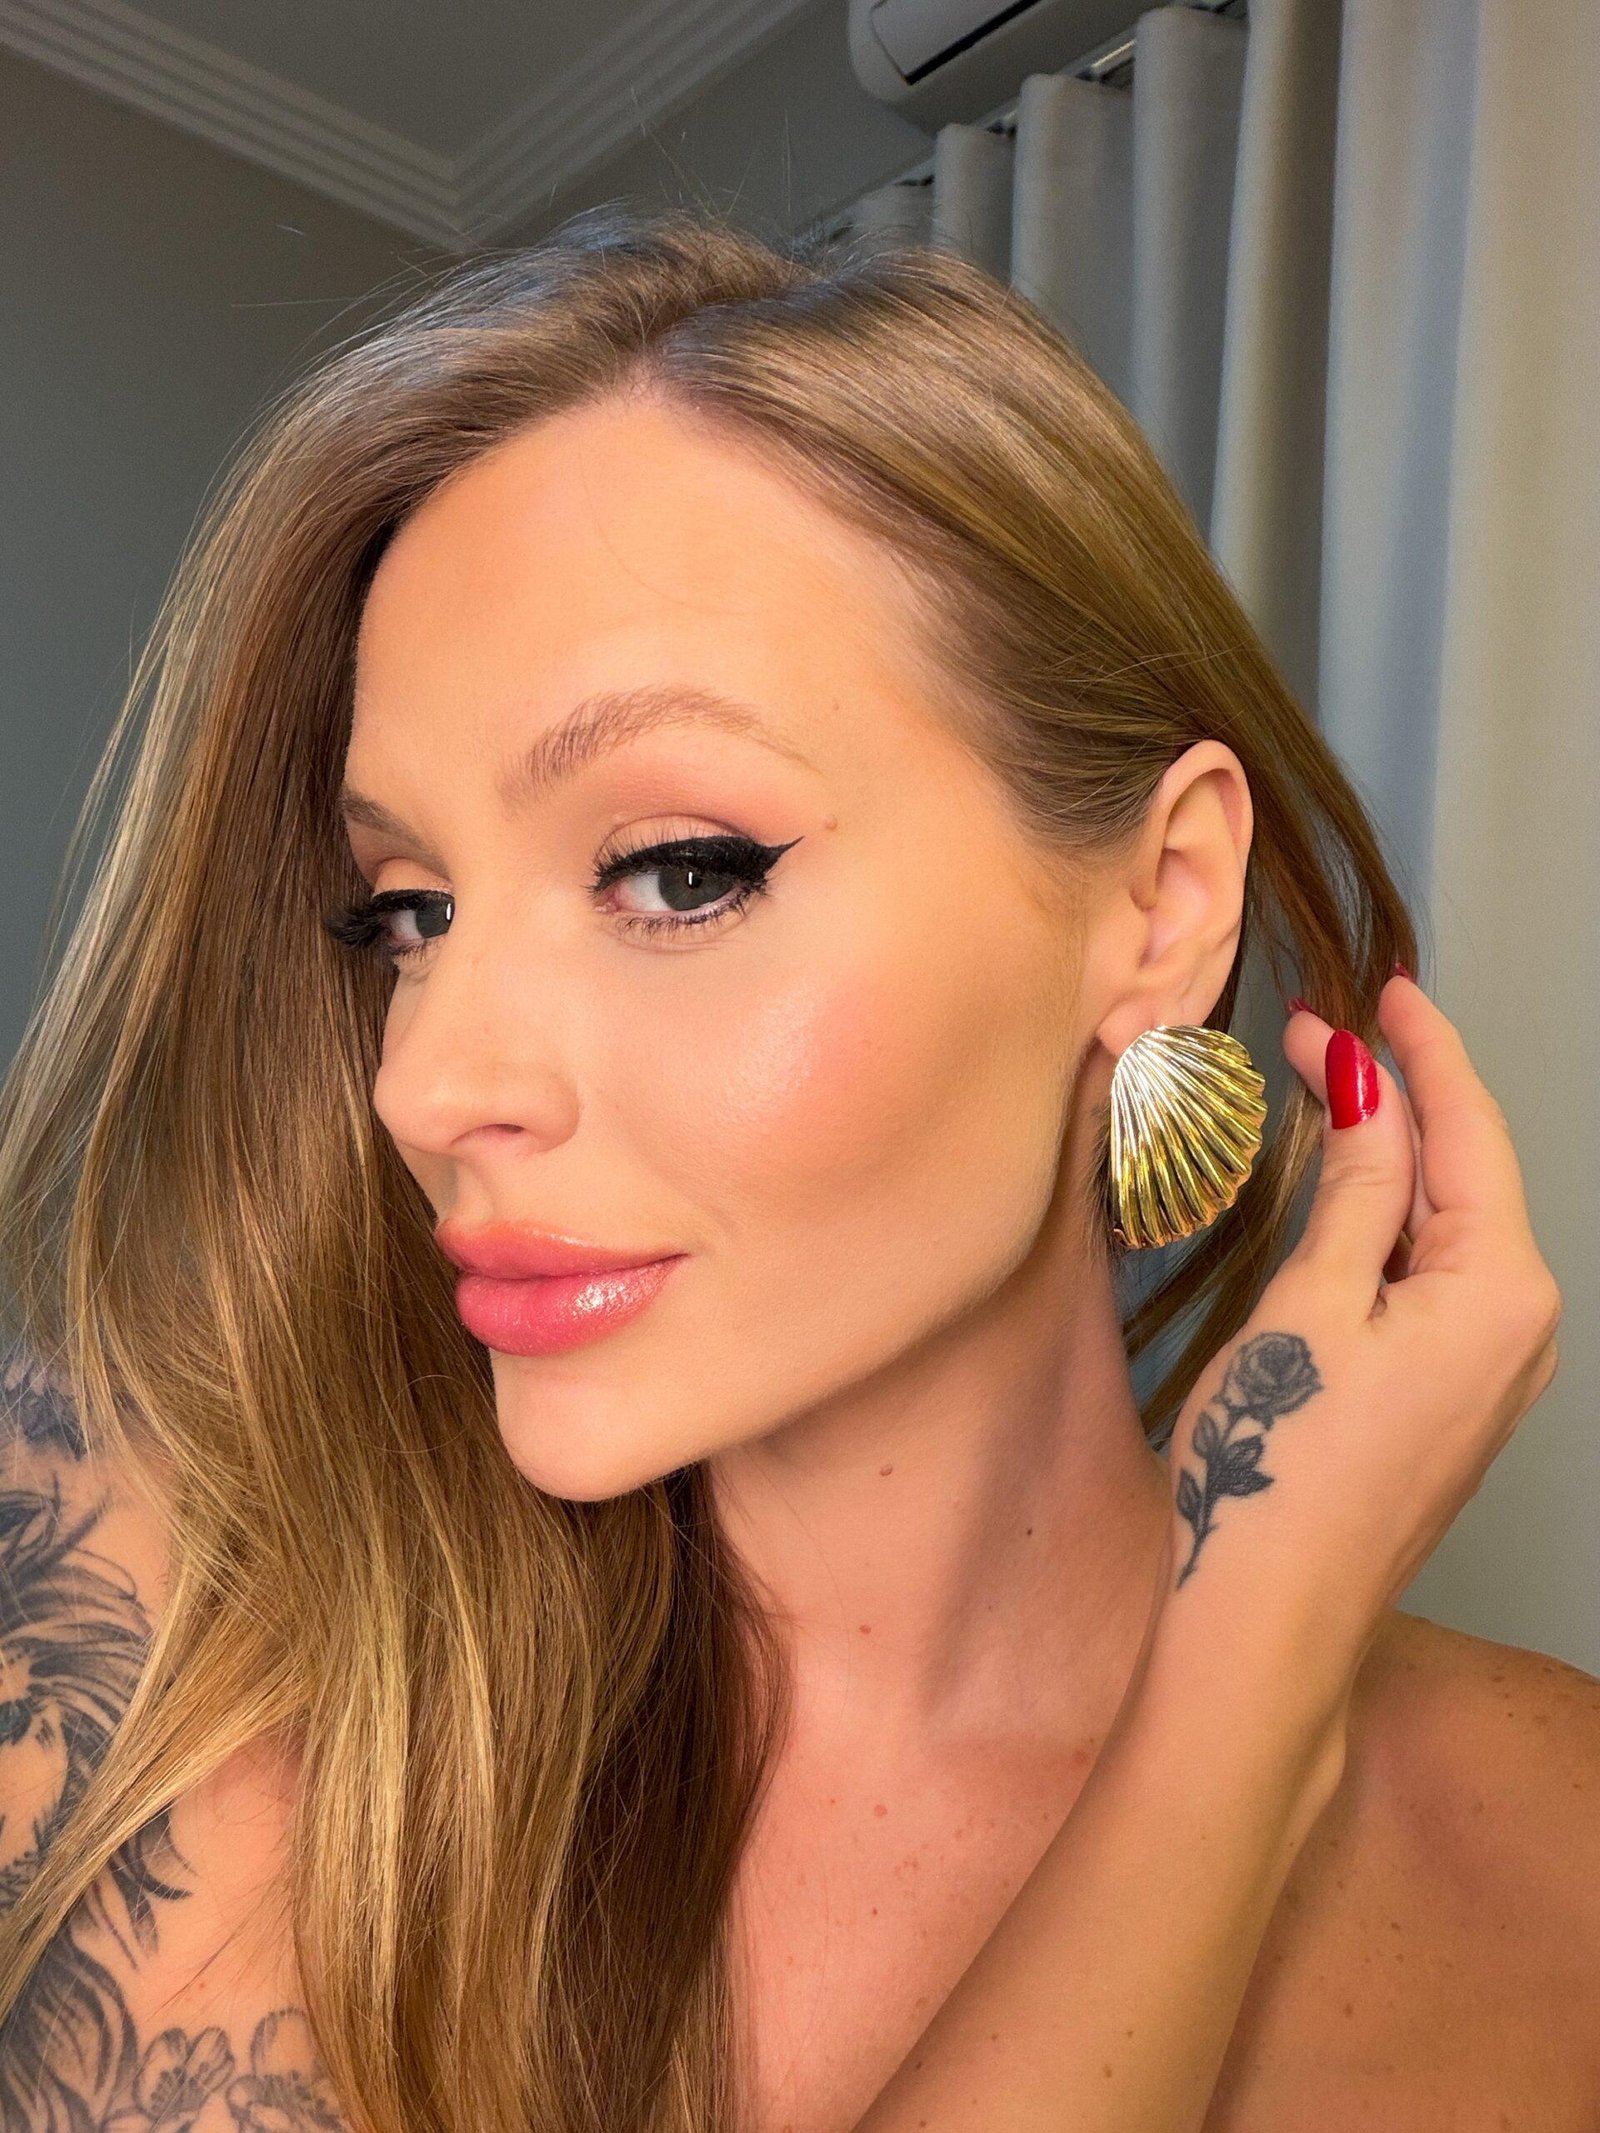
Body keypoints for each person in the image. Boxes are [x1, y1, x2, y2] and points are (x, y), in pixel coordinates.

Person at [0, 203, 1592, 2133]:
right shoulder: (145, 1655)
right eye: (406, 910)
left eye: (678, 870)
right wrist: (1239, 1689)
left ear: (1164, 902)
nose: (426, 1080)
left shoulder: (1564, 1850)